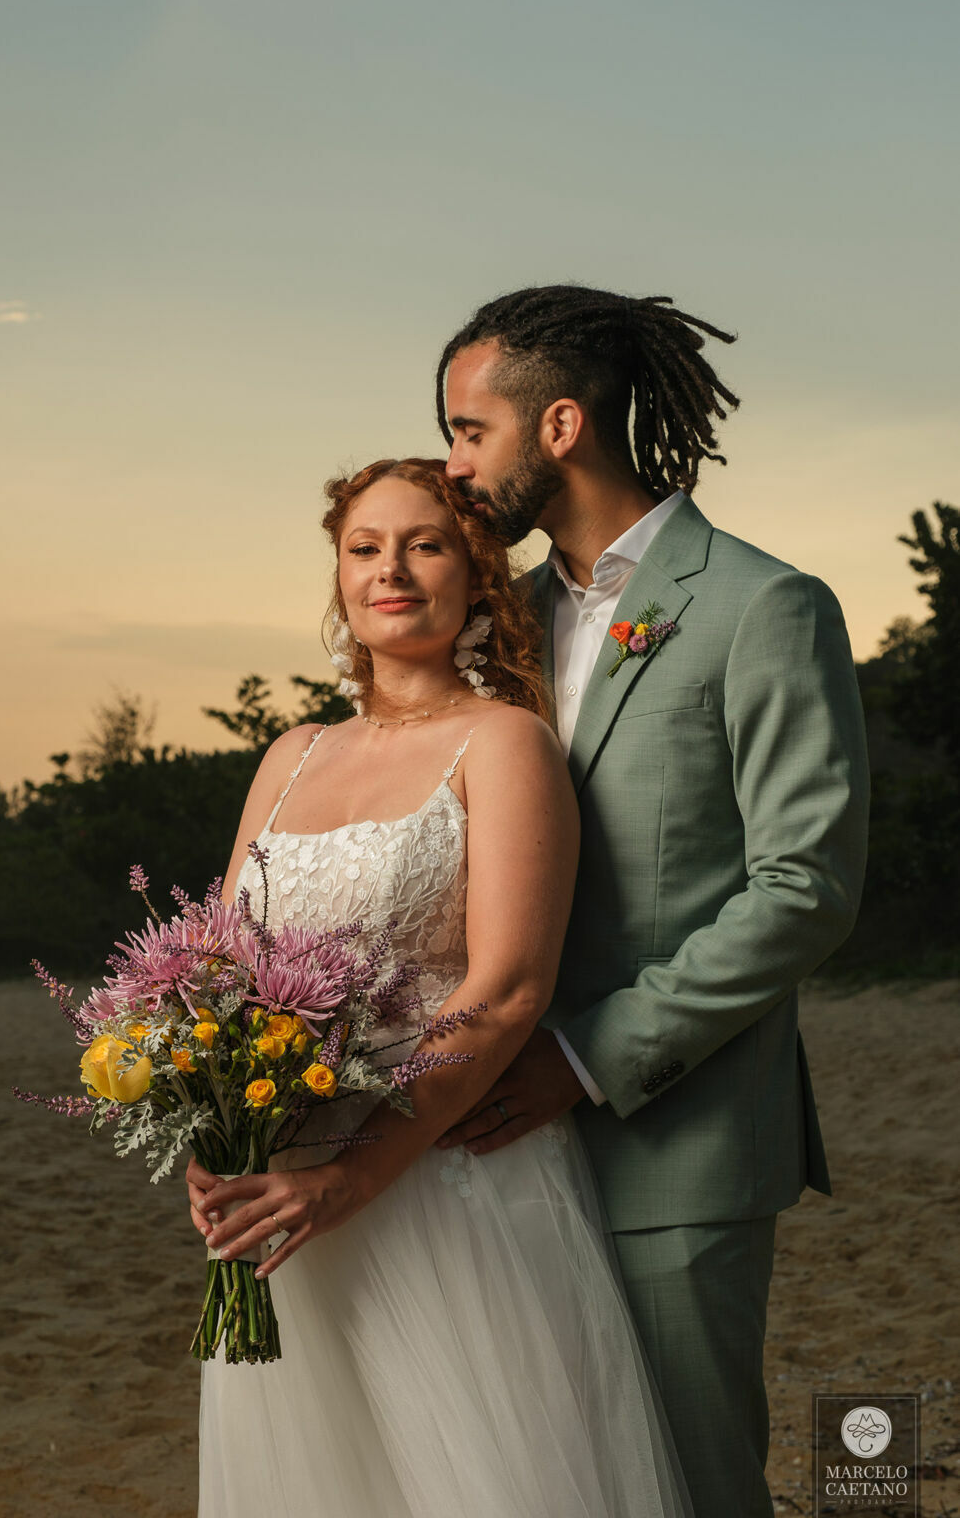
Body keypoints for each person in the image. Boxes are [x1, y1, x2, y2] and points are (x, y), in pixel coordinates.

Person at [434, 284, 871, 1517]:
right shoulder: (497, 623)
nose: (454, 464)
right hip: (491, 1154)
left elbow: (805, 890)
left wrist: (581, 1059)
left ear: (559, 425)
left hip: (674, 1150)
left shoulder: (764, 607)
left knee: (691, 1484)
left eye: (471, 430)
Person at [187, 458, 693, 1518]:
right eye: (364, 548)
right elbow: (215, 973)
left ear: (477, 574)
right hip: (282, 1195)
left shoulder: (503, 743)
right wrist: (210, 1130)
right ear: (338, 576)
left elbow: (509, 990)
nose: (392, 571)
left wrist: (357, 1173)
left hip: (445, 1181)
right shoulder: (290, 754)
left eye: (424, 545)